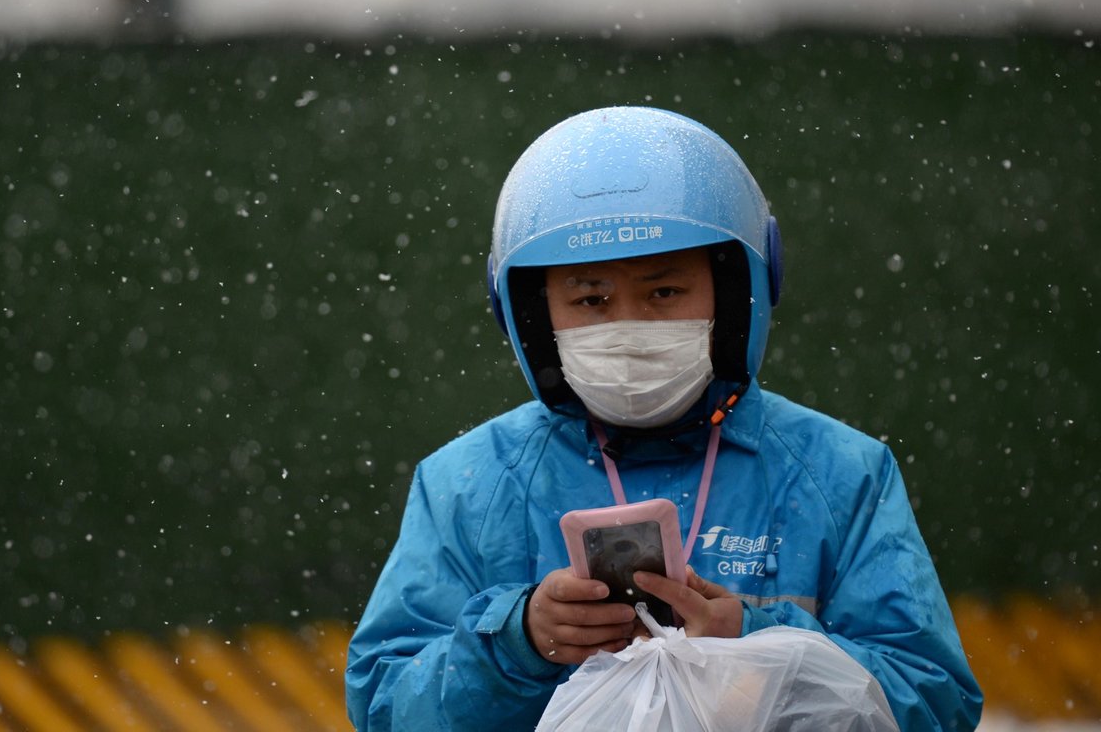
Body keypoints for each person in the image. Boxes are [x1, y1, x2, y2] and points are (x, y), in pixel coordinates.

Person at [345, 107, 983, 730]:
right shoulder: (468, 485)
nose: (628, 326)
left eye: (664, 292)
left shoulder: (842, 475)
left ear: (736, 296)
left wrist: (757, 648)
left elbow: (934, 701)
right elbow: (384, 703)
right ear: (534, 316)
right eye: (590, 298)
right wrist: (517, 643)